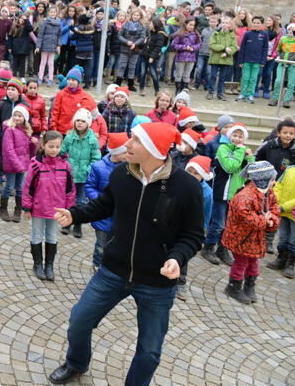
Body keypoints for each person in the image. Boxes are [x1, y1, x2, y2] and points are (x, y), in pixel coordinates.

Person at [49, 122, 204, 386]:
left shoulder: (187, 187)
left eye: (135, 141)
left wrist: (176, 258)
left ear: (155, 149)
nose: (127, 145)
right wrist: (75, 214)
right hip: (113, 271)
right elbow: (105, 205)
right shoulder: (122, 174)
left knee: (150, 351)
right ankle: (76, 363)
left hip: (157, 283)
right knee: (79, 321)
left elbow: (193, 235)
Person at [221, 161, 280, 304]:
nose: (275, 182)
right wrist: (264, 220)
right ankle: (233, 287)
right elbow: (247, 218)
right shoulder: (245, 196)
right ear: (263, 180)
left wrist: (272, 219)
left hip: (255, 237)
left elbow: (274, 209)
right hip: (240, 237)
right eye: (272, 179)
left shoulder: (268, 193)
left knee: (254, 262)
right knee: (241, 262)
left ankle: (250, 285)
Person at [23, 130, 75, 281]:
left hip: (57, 210)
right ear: (43, 145)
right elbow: (28, 188)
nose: (54, 150)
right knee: (37, 235)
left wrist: (69, 209)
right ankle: (38, 264)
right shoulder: (36, 165)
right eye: (51, 146)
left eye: (57, 147)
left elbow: (70, 190)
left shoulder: (65, 166)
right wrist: (27, 207)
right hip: (39, 208)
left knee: (52, 235)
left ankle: (49, 265)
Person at [202, 123, 255, 266]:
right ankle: (208, 247)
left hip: (236, 195)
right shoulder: (223, 148)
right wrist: (240, 152)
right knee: (218, 224)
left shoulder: (242, 151)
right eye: (235, 135)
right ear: (229, 136)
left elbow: (251, 172)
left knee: (229, 225)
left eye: (240, 136)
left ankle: (222, 248)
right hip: (222, 193)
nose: (237, 139)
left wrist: (250, 158)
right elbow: (230, 167)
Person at [85, 133, 129, 271]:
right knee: (101, 245)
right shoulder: (98, 167)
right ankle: (97, 266)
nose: (128, 154)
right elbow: (89, 187)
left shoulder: (129, 168)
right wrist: (101, 199)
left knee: (115, 244)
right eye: (125, 151)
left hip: (120, 216)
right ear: (117, 152)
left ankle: (110, 267)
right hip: (103, 215)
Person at [60, 108, 101, 238]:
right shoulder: (69, 136)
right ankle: (67, 222)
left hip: (83, 176)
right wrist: (65, 166)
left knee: (81, 201)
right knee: (69, 200)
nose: (79, 123)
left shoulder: (93, 139)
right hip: (70, 175)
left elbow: (96, 158)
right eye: (77, 120)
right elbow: (62, 152)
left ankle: (78, 223)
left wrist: (87, 170)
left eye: (83, 121)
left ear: (88, 123)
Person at [177, 156, 214, 300]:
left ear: (202, 176)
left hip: (189, 228)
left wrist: (201, 232)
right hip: (174, 224)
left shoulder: (207, 193)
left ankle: (181, 282)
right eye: (189, 171)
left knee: (183, 256)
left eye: (195, 173)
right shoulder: (179, 184)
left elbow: (206, 214)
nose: (191, 176)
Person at [0, 78, 27, 203]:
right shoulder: (2, 104)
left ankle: (12, 183)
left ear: (19, 92)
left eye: (13, 89)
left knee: (13, 160)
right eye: (8, 89)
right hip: (2, 138)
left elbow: (27, 121)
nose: (10, 92)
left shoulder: (23, 105)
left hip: (18, 138)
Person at [0, 103, 35, 224]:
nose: (17, 118)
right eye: (15, 115)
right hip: (12, 165)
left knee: (20, 188)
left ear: (25, 118)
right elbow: (9, 150)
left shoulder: (25, 131)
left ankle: (18, 210)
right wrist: (18, 165)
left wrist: (33, 143)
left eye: (20, 115)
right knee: (9, 186)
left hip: (22, 165)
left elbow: (27, 151)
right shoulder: (10, 130)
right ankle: (2, 209)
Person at [50, 69, 95, 133]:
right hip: (60, 129)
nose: (70, 82)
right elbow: (55, 112)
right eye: (68, 79)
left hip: (76, 131)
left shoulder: (84, 96)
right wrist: (53, 127)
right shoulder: (60, 94)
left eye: (73, 80)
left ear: (78, 82)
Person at [270, 164, 295, 277]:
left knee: (293, 240)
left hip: (290, 211)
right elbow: (279, 185)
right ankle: (281, 258)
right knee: (283, 236)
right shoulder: (290, 169)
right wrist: (276, 201)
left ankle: (291, 263)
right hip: (283, 210)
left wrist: (284, 206)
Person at [237, 16, 267, 103]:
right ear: (252, 23)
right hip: (246, 60)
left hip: (257, 62)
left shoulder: (264, 34)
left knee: (253, 79)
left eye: (258, 23)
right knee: (245, 78)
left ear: (261, 24)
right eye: (254, 23)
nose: (256, 24)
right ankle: (243, 93)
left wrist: (262, 61)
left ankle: (250, 95)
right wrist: (241, 61)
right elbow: (242, 48)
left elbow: (265, 49)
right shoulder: (248, 34)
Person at [171, 18, 201, 93]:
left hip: (191, 58)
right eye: (190, 25)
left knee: (187, 74)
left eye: (193, 25)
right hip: (180, 57)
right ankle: (178, 89)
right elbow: (174, 45)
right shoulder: (180, 34)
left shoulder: (196, 34)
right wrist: (184, 47)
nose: (192, 27)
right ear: (185, 24)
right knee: (179, 74)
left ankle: (184, 89)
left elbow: (199, 44)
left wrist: (193, 48)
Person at [269, 23, 295, 107]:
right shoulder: (283, 39)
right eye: (290, 29)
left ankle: (286, 100)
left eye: (293, 30)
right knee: (278, 81)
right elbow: (278, 49)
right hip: (282, 63)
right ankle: (275, 98)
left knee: (291, 83)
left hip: (292, 64)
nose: (291, 31)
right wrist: (279, 56)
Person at [36, 5, 62, 85]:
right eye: (51, 12)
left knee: (51, 63)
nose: (53, 13)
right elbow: (40, 35)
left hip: (53, 45)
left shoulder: (58, 23)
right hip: (45, 45)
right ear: (48, 13)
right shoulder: (45, 22)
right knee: (43, 62)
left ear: (56, 13)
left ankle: (50, 79)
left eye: (54, 12)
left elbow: (59, 35)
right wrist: (38, 46)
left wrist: (58, 45)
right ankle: (40, 78)